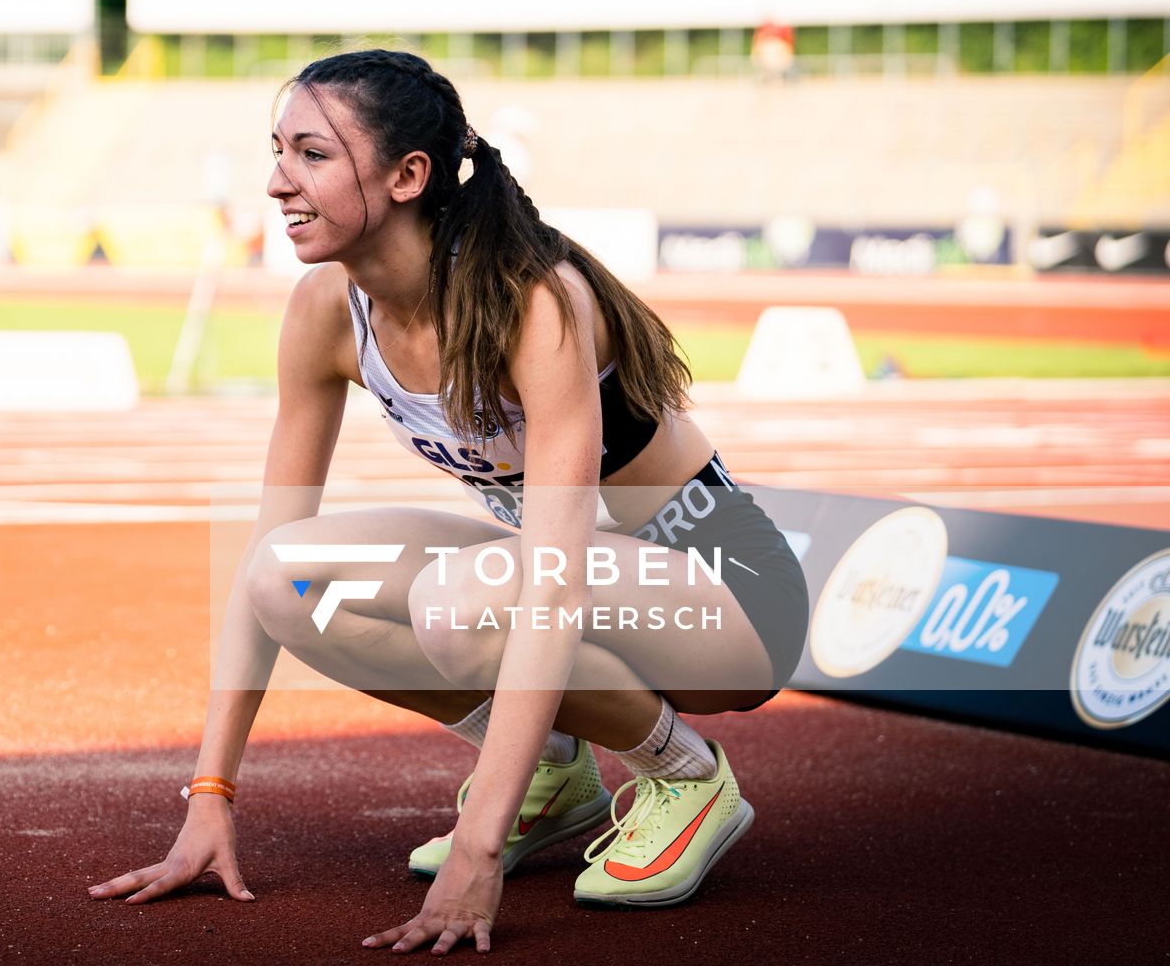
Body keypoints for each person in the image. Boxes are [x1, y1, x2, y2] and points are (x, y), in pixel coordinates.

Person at [88, 50, 809, 952]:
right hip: (556, 578)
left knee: (461, 602)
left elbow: (555, 584)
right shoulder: (325, 312)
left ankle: (683, 774)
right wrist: (210, 796)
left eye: (311, 155)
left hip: (728, 602)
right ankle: (555, 769)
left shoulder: (533, 303)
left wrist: (478, 853)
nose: (276, 182)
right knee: (288, 580)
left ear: (407, 175)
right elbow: (265, 556)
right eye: (277, 151)